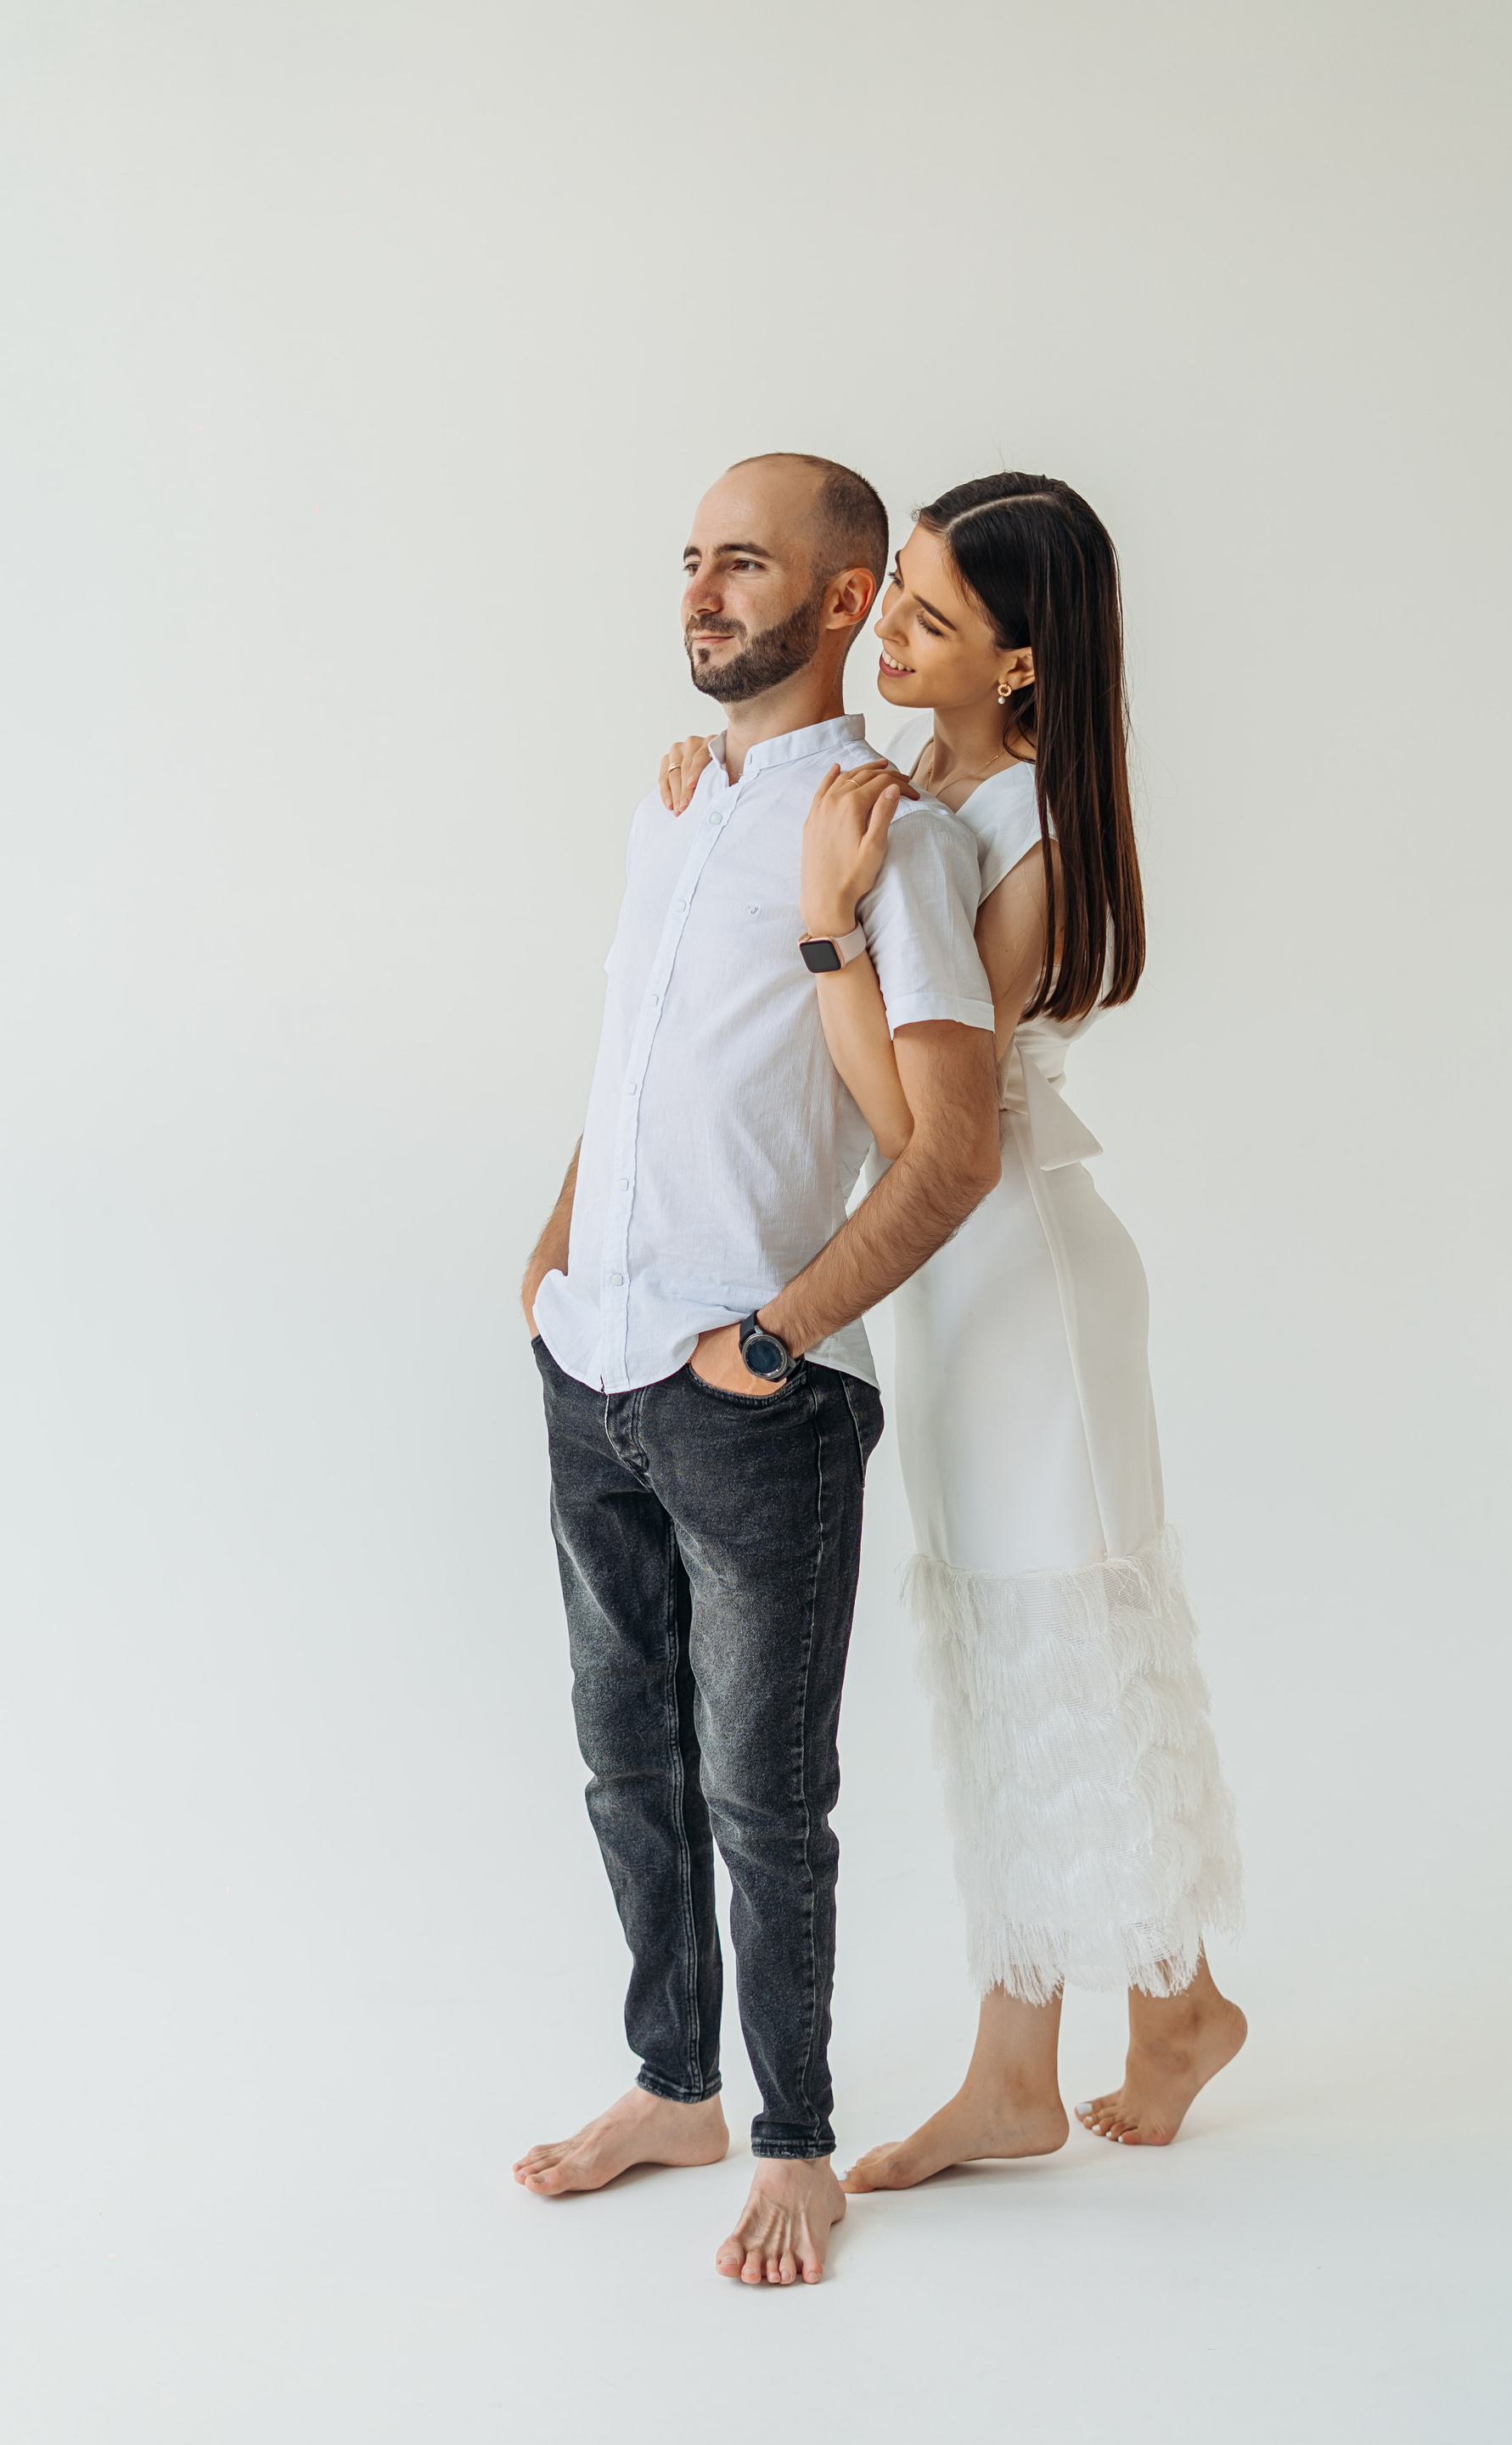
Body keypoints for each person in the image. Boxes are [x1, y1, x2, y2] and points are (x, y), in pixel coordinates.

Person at [658, 472, 1245, 2191]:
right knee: (1005, 1659)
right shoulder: (927, 779)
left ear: (1024, 664)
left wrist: (825, 924)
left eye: (930, 616)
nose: (893, 635)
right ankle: (1067, 2048)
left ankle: (1137, 2026)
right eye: (897, 595)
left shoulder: (1029, 833)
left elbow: (924, 1125)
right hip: (953, 1289)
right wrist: (716, 792)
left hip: (1026, 1281)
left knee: (1072, 1654)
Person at [513, 452, 1003, 2283]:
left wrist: (779, 1335)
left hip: (754, 1396)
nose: (703, 594)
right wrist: (553, 1255)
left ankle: (793, 2140)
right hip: (594, 1357)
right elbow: (638, 1061)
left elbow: (950, 1151)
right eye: (691, 562)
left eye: (744, 564)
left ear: (847, 600)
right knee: (623, 1765)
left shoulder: (891, 836)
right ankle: (675, 2088)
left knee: (764, 1798)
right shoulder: (675, 803)